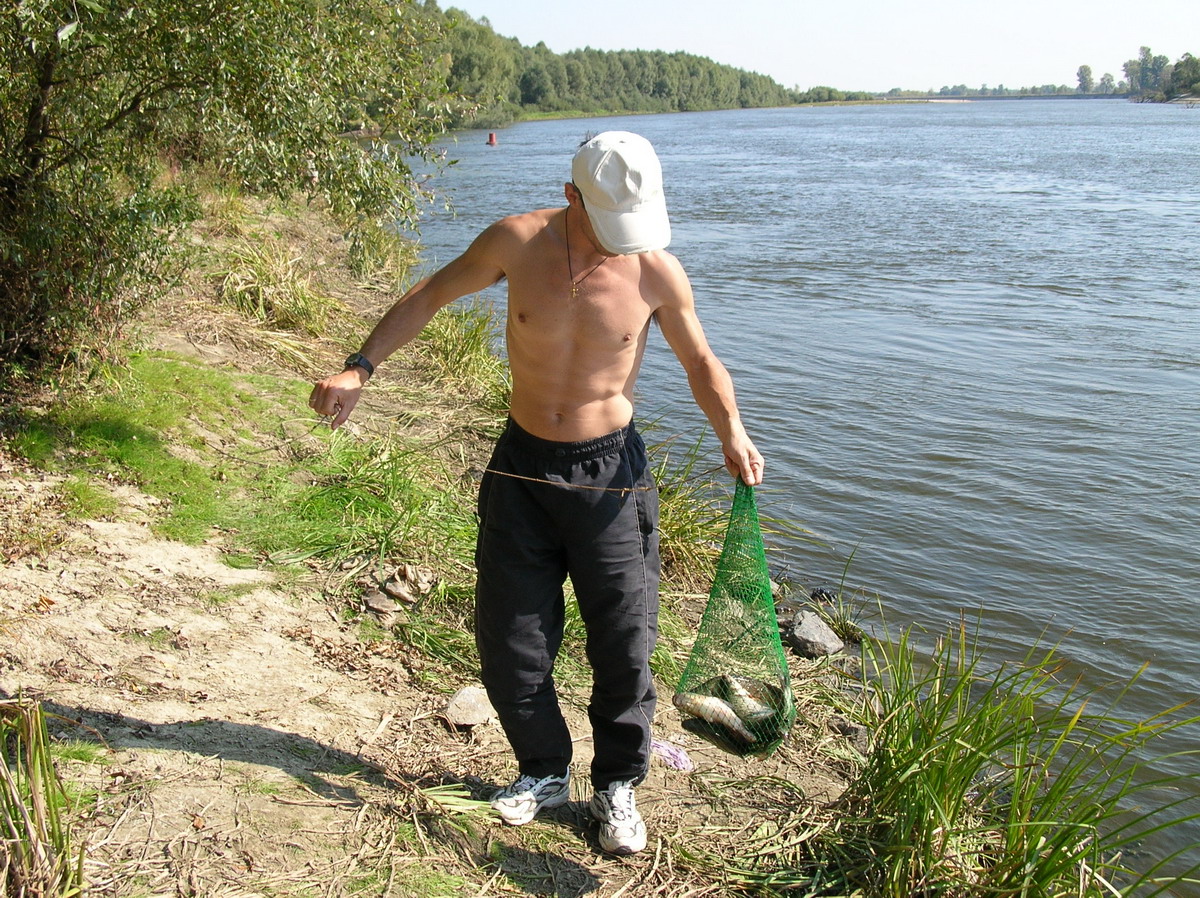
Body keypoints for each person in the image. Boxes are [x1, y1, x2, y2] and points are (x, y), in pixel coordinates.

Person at [309, 131, 764, 855]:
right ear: (570, 194)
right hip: (521, 469)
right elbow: (431, 294)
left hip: (610, 478)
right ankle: (543, 768)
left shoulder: (655, 269)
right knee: (510, 637)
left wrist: (732, 432)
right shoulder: (516, 242)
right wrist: (359, 368)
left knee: (624, 642)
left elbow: (701, 360)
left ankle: (617, 785)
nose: (621, 237)